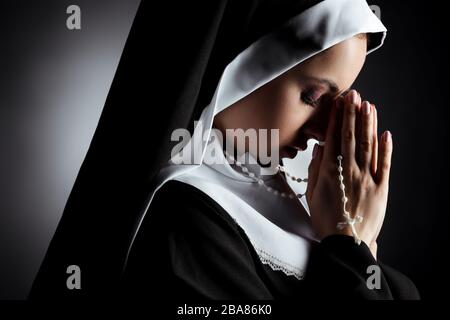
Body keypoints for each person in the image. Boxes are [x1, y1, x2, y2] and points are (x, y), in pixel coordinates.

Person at [121, 1, 420, 299]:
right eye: (312, 97)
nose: (321, 132)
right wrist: (350, 247)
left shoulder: (305, 201)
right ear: (241, 68)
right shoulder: (184, 225)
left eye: (339, 100)